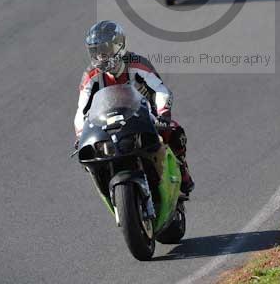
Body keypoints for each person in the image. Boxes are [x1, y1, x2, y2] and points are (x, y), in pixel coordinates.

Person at [74, 20, 195, 195]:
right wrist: (80, 134)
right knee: (90, 154)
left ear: (119, 46)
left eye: (105, 50)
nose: (101, 57)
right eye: (96, 52)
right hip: (107, 122)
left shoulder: (137, 63)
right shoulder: (90, 75)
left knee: (175, 132)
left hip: (144, 117)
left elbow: (160, 90)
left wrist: (163, 114)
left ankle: (182, 169)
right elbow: (81, 109)